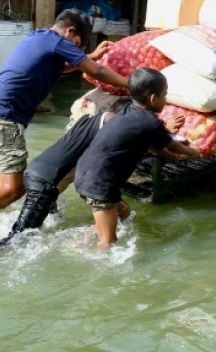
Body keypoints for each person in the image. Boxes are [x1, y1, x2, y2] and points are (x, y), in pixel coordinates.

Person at [0, 9, 131, 218]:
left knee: (0, 187)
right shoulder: (56, 42)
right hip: (2, 118)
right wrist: (133, 84)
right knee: (13, 189)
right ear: (70, 31)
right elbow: (96, 71)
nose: (76, 50)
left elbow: (59, 68)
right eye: (77, 44)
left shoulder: (39, 36)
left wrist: (89, 56)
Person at [0, 99, 185, 249]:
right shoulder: (110, 126)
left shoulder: (86, 122)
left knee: (117, 209)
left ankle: (76, 244)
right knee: (18, 240)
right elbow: (135, 136)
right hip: (46, 183)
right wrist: (166, 132)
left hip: (37, 172)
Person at [74, 68, 200, 248]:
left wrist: (173, 158)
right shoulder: (150, 122)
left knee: (124, 213)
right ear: (153, 98)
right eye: (164, 95)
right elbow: (172, 144)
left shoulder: (128, 110)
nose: (165, 99)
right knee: (108, 242)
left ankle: (76, 246)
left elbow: (156, 147)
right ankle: (90, 261)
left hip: (85, 173)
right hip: (100, 183)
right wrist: (193, 152)